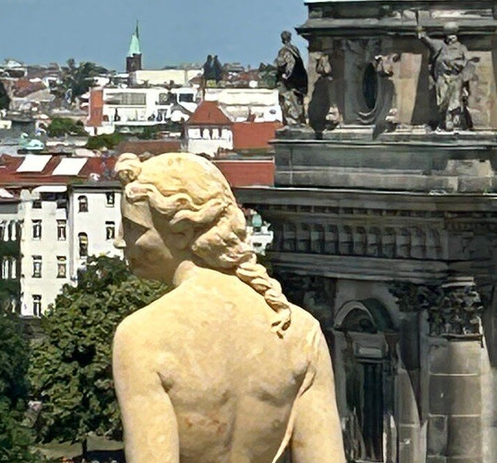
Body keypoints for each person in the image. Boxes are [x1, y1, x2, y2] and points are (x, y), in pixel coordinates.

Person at [112, 153, 345, 463]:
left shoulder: (142, 336)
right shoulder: (301, 331)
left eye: (131, 227)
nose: (119, 240)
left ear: (182, 231)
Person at [418, 24, 474, 131]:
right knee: (443, 100)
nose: (451, 38)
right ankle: (445, 120)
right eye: (449, 36)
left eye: (453, 36)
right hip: (442, 78)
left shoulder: (462, 48)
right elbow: (428, 41)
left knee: (455, 100)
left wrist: (462, 73)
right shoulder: (440, 46)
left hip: (456, 78)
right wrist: (421, 31)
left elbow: (469, 63)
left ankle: (454, 121)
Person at [276, 30, 309, 125]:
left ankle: (293, 121)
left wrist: (285, 75)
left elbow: (284, 64)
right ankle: (297, 120)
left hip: (289, 83)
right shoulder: (295, 50)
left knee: (289, 102)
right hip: (298, 82)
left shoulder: (284, 51)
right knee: (296, 102)